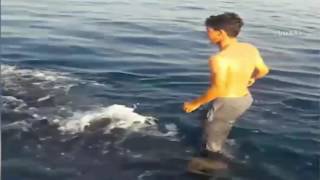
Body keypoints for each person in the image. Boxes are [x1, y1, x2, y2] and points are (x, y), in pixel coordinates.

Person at [183, 12, 270, 159]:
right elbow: (263, 70)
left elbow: (219, 89)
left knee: (211, 147)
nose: (207, 35)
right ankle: (219, 135)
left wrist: (195, 103)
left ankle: (210, 168)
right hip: (245, 99)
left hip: (227, 102)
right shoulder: (249, 48)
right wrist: (252, 78)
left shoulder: (219, 59)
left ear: (221, 33)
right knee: (213, 123)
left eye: (209, 31)